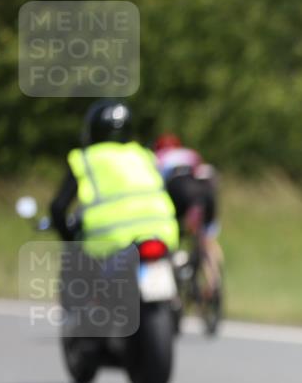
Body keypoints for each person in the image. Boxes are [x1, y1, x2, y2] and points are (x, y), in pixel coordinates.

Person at [49, 100, 178, 257]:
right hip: (163, 235)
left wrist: (68, 239)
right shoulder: (144, 155)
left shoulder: (85, 159)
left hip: (110, 242)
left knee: (79, 274)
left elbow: (58, 207)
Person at [153, 133, 223, 298]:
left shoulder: (158, 158)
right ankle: (214, 282)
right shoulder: (190, 154)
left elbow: (156, 184)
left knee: (172, 236)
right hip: (205, 192)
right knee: (206, 239)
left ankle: (175, 274)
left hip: (178, 190)